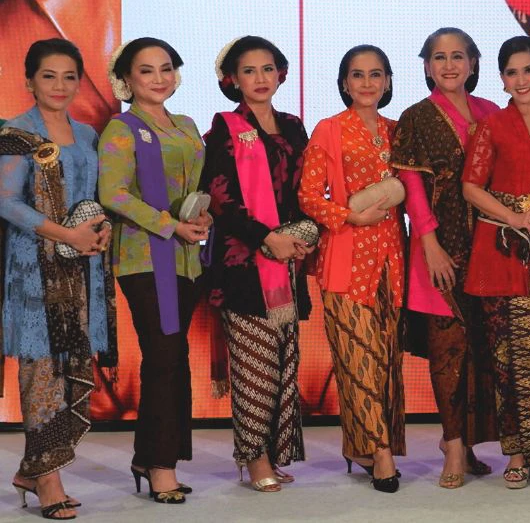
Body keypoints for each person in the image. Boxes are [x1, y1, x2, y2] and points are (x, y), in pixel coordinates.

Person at [0, 40, 115, 520]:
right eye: (49, 76)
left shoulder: (87, 134)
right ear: (29, 80)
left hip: (83, 266)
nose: (60, 86)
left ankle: (33, 469)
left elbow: (94, 197)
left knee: (71, 365)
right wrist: (65, 234)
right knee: (42, 368)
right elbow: (6, 202)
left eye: (70, 76)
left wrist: (100, 230)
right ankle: (48, 478)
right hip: (35, 268)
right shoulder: (15, 133)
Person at [98, 38, 210, 503]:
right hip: (144, 258)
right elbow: (113, 194)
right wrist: (170, 225)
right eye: (146, 71)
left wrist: (202, 217)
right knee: (163, 358)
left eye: (167, 68)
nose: (159, 78)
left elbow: (197, 184)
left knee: (173, 359)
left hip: (187, 259)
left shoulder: (186, 125)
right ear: (127, 79)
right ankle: (161, 465)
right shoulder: (121, 129)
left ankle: (151, 457)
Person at [462, 36, 530, 489]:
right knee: (509, 357)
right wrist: (513, 217)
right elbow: (471, 186)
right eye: (512, 72)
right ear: (502, 80)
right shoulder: (491, 126)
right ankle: (515, 453)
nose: (522, 79)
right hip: (504, 251)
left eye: (529, 70)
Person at [200, 37, 311, 493]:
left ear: (281, 73)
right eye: (249, 70)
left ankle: (273, 450)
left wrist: (303, 235)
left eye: (268, 68)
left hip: (289, 262)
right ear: (233, 79)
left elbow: (307, 190)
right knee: (254, 367)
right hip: (243, 264)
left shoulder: (294, 126)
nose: (260, 78)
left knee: (283, 363)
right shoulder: (225, 128)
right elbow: (219, 199)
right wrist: (267, 238)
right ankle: (254, 456)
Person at [390, 28, 498, 489]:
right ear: (426, 66)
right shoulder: (415, 117)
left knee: (481, 349)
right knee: (447, 351)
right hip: (437, 250)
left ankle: (469, 442)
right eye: (439, 57)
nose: (449, 65)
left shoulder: (492, 113)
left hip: (489, 249)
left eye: (458, 56)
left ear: (473, 64)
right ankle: (452, 444)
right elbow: (412, 187)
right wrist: (429, 244)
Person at [297, 45, 405, 493]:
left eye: (375, 74)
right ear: (344, 82)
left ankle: (361, 445)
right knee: (357, 359)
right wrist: (350, 217)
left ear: (387, 81)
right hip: (345, 258)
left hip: (392, 261)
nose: (366, 83)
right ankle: (380, 454)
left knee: (385, 360)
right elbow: (308, 196)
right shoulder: (329, 129)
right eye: (357, 75)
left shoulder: (398, 131)